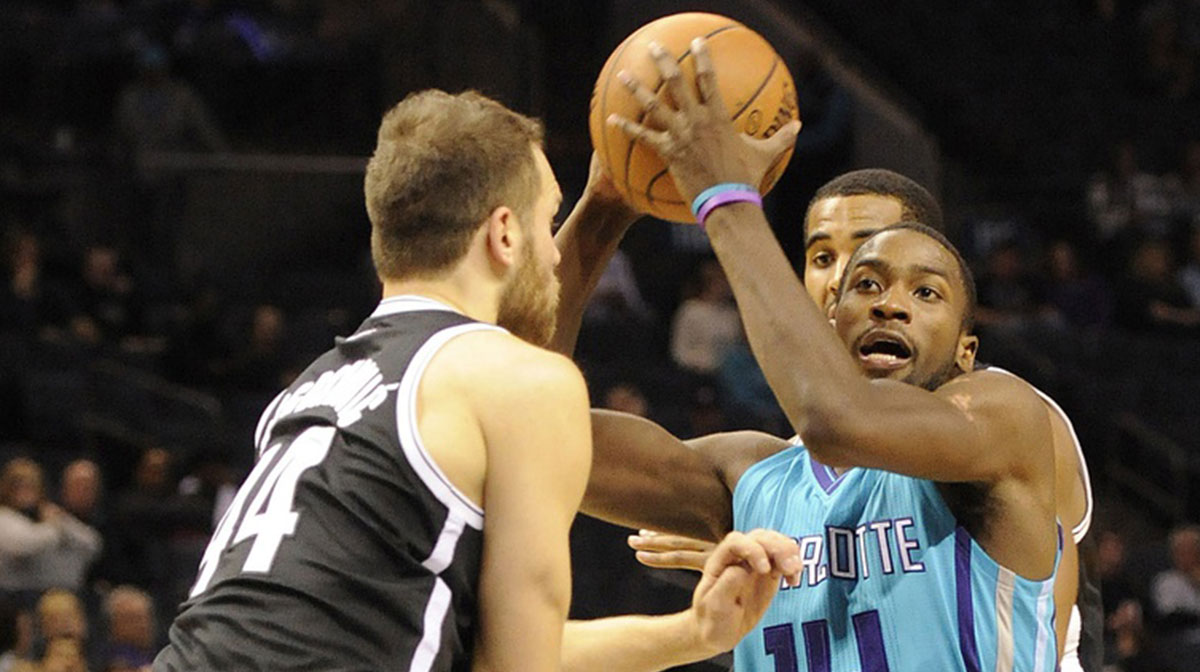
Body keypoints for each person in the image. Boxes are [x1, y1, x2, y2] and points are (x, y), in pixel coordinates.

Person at [154, 89, 800, 672]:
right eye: (549, 223)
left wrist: (696, 633)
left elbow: (498, 652)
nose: (555, 254)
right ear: (503, 234)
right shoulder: (521, 379)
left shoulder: (314, 388)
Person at [550, 37, 1089, 670]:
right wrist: (604, 210)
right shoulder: (756, 478)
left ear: (967, 344)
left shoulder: (1007, 417)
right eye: (841, 267)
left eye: (916, 284)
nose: (873, 292)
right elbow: (522, 428)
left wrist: (723, 195)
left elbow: (839, 420)